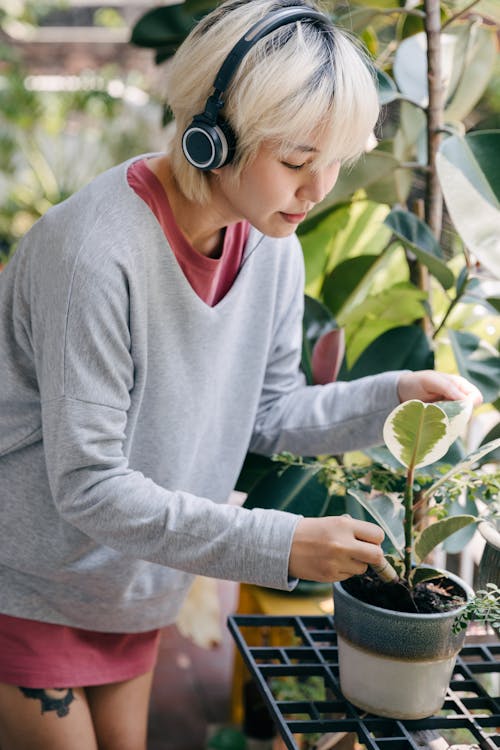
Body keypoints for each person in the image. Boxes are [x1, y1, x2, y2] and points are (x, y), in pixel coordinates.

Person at [0, 1, 482, 748]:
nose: (318, 190)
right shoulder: (94, 254)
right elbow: (89, 484)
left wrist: (392, 397)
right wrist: (280, 544)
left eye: (336, 163)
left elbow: (269, 411)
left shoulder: (269, 245)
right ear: (211, 136)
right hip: (27, 581)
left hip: (134, 581)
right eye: (296, 161)